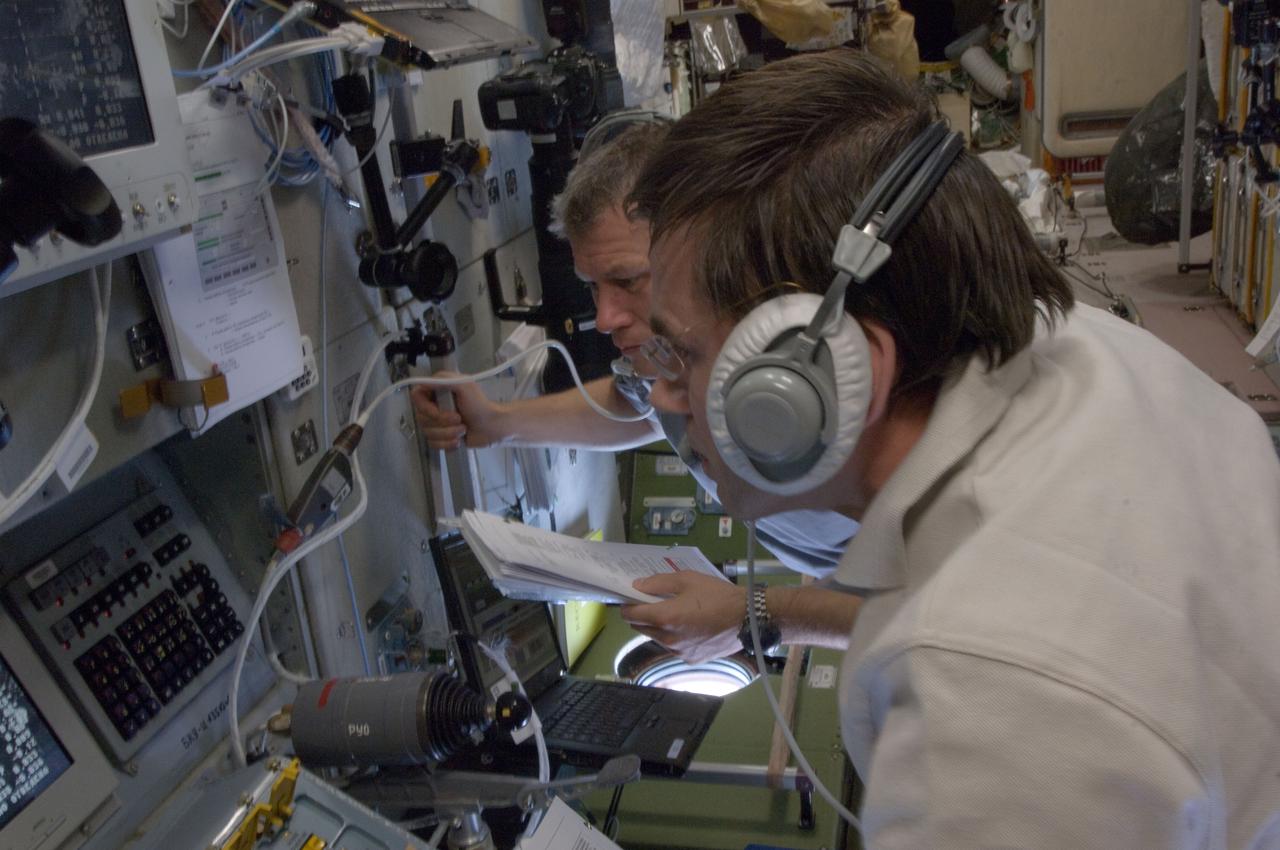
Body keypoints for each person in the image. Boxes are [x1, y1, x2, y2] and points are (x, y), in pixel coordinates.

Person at [628, 49, 1280, 848]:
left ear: (822, 372)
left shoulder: (984, 713)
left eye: (682, 357)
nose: (663, 395)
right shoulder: (1091, 348)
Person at [410, 120, 860, 663]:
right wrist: (499, 422)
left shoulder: (817, 382)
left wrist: (753, 617)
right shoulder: (676, 356)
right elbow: (638, 403)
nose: (603, 318)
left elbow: (910, 617)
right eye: (592, 287)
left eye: (627, 282)